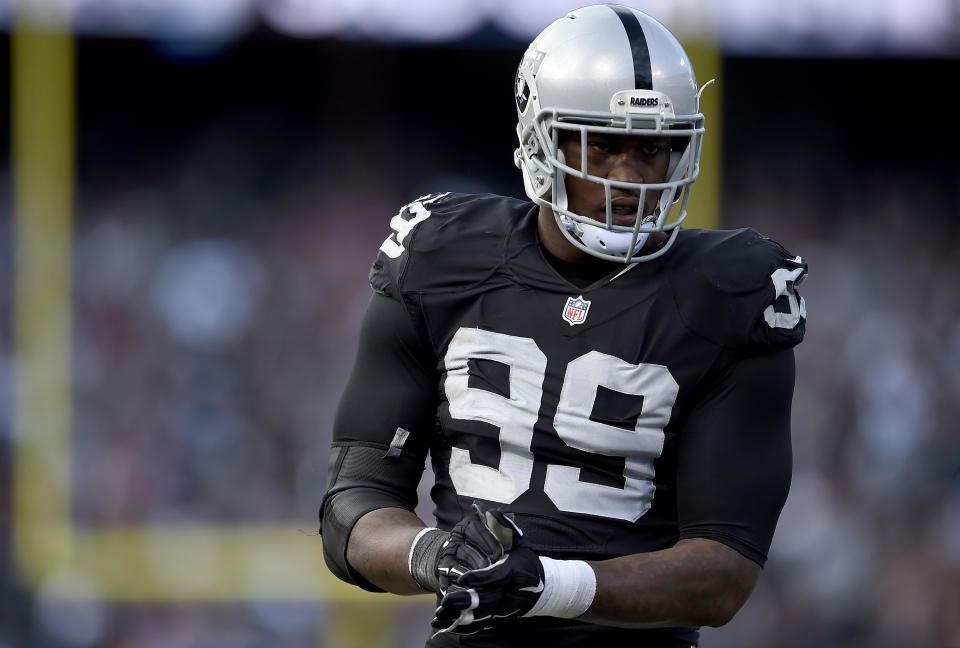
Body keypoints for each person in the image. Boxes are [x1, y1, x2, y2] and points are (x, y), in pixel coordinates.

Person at [319, 4, 807, 647]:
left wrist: (550, 586)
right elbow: (352, 508)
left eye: (652, 150)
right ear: (539, 139)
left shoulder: (730, 292)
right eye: (603, 144)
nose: (629, 179)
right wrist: (435, 556)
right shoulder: (440, 258)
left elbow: (724, 572)